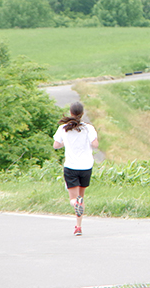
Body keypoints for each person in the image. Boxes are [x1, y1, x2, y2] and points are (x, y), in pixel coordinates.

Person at [53, 101, 99, 236]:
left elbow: (56, 145)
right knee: (81, 197)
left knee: (74, 199)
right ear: (82, 113)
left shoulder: (63, 128)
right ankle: (78, 227)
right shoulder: (88, 128)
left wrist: (65, 142)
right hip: (86, 167)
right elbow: (95, 145)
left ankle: (75, 206)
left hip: (71, 166)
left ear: (70, 113)